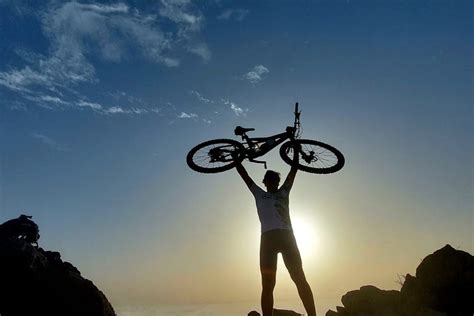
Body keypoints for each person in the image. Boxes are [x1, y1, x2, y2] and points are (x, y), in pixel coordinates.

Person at [234, 145, 317, 316]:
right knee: (268, 285)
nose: (273, 183)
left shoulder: (283, 192)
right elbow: (245, 176)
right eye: (270, 181)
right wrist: (235, 160)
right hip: (271, 240)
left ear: (277, 183)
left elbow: (293, 171)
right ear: (264, 182)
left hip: (284, 239)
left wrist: (295, 152)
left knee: (299, 279)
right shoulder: (259, 193)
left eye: (275, 181)